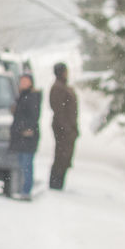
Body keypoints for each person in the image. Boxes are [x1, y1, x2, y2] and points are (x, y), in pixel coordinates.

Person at [10, 72, 42, 200]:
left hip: (27, 137)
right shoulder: (22, 96)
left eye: (26, 81)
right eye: (21, 80)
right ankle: (21, 189)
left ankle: (26, 191)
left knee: (26, 164)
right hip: (20, 137)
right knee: (22, 164)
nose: (23, 83)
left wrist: (26, 128)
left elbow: (33, 116)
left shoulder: (32, 96)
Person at [49, 61, 79, 190]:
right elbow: (58, 110)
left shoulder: (64, 87)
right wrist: (66, 128)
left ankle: (59, 182)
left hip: (68, 128)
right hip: (63, 129)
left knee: (65, 156)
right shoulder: (58, 88)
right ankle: (56, 183)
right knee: (61, 155)